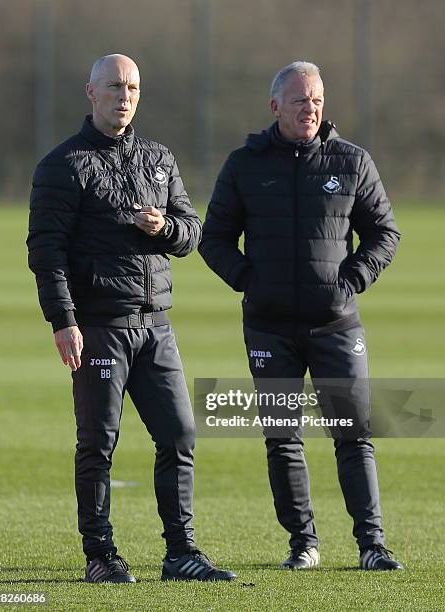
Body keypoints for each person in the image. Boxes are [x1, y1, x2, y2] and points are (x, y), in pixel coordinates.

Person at [27, 54, 235, 584]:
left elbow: (192, 232)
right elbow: (46, 251)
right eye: (115, 86)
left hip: (155, 328)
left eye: (133, 87)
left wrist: (165, 228)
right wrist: (63, 320)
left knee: (180, 436)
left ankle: (180, 553)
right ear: (90, 92)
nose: (125, 95)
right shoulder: (63, 165)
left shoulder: (159, 159)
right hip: (97, 327)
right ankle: (101, 555)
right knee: (98, 443)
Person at [199, 61, 403, 571]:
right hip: (269, 328)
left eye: (316, 100)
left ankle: (371, 546)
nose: (309, 109)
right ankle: (303, 544)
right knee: (283, 438)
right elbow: (214, 237)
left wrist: (351, 281)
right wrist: (250, 281)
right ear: (275, 107)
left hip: (336, 326)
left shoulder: (352, 161)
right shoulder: (245, 164)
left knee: (353, 433)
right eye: (299, 101)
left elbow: (385, 233)